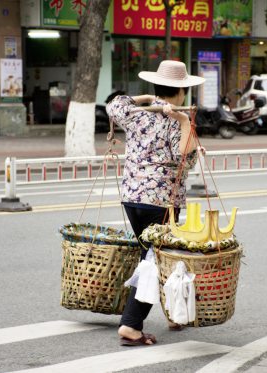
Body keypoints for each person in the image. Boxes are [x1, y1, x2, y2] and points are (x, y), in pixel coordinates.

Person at [106, 60, 205, 346]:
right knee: (155, 261)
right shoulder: (179, 120)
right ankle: (131, 324)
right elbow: (184, 161)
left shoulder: (138, 114)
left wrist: (147, 99)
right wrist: (185, 122)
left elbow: (114, 105)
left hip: (132, 198)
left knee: (151, 256)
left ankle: (173, 315)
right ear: (181, 90)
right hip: (161, 202)